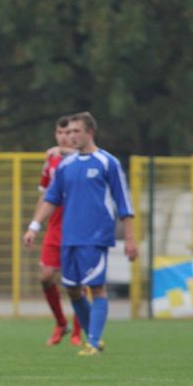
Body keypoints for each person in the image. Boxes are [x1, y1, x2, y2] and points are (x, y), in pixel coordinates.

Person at [23, 111, 137, 356]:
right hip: (69, 236)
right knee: (73, 289)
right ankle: (91, 335)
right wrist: (34, 226)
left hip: (96, 237)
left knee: (96, 288)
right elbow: (51, 198)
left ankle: (93, 342)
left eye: (76, 131)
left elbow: (124, 202)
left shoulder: (108, 162)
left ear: (90, 132)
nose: (71, 136)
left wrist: (129, 238)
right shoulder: (66, 165)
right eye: (68, 132)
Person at [31, 116, 83, 346]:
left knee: (76, 283)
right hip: (55, 226)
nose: (66, 137)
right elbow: (45, 194)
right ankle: (61, 323)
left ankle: (77, 333)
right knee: (45, 276)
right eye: (61, 133)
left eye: (70, 132)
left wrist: (63, 151)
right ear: (56, 134)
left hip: (79, 225)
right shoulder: (50, 160)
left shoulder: (84, 157)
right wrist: (34, 224)